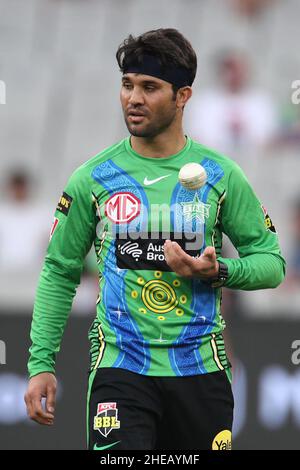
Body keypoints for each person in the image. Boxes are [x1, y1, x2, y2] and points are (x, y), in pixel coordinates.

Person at [24, 28, 285, 450]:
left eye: (149, 87)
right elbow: (59, 270)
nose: (134, 98)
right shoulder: (94, 177)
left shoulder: (221, 175)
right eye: (127, 85)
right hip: (121, 369)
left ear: (183, 96)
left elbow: (272, 263)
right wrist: (40, 364)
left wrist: (218, 270)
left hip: (201, 369)